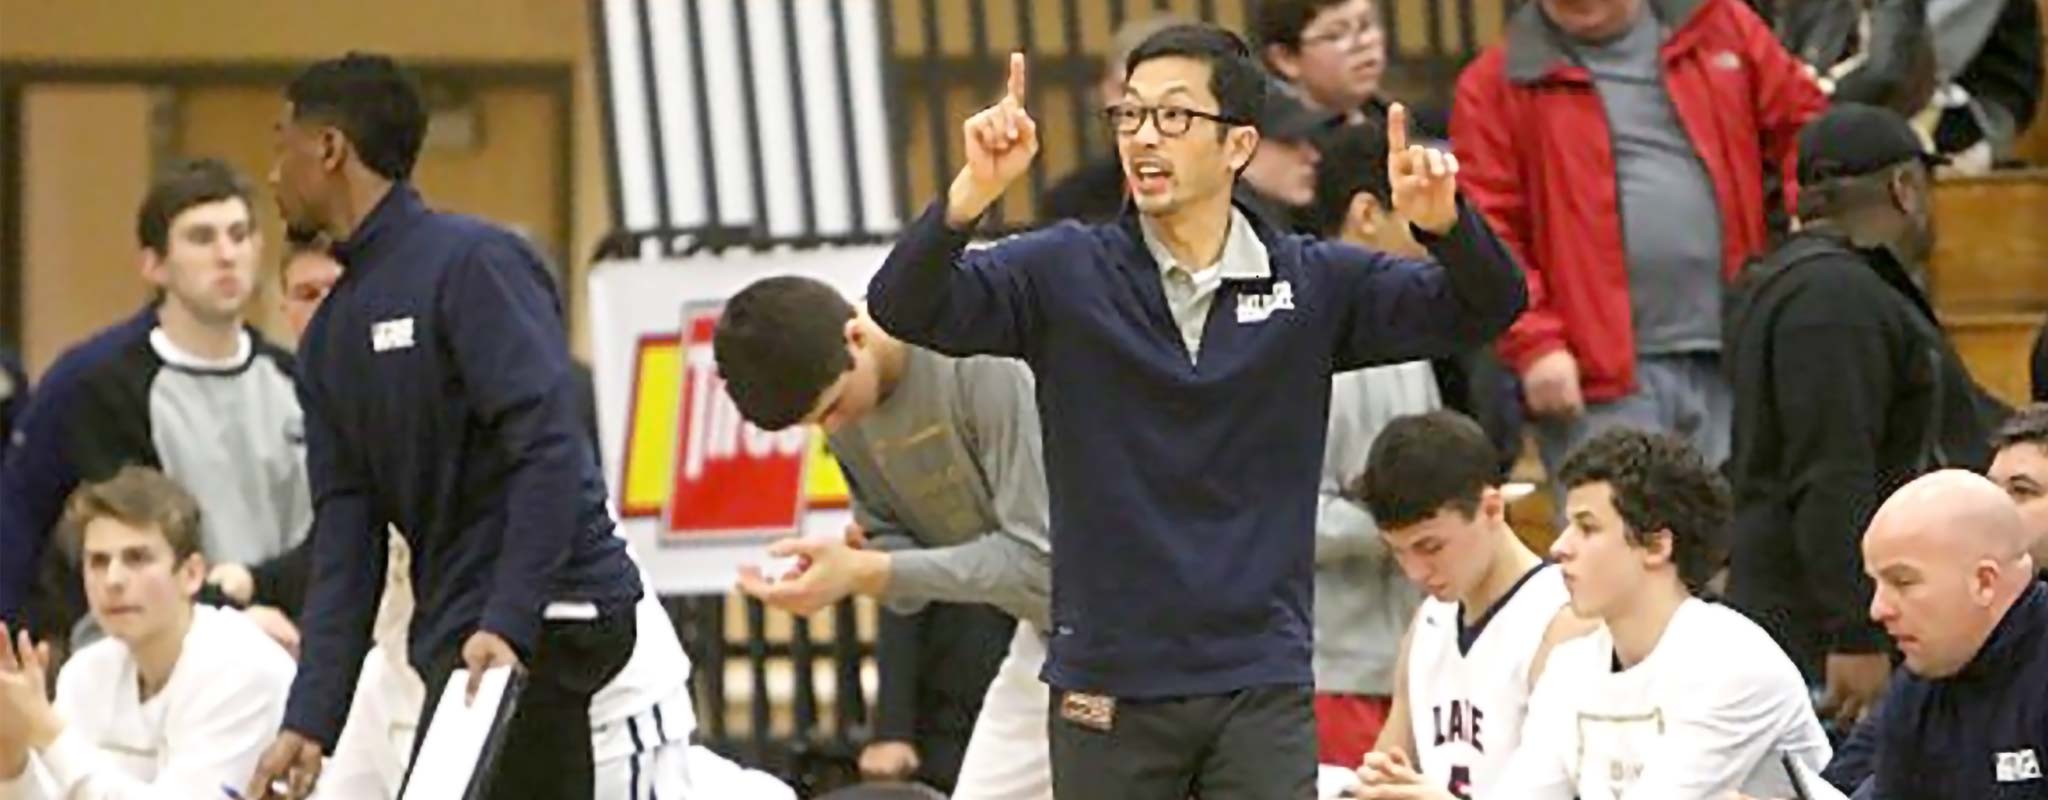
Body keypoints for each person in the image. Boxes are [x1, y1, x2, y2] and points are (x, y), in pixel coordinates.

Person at [863, 21, 1526, 797]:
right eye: (1131, 115)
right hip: (1106, 679)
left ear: (1239, 145)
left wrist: (1445, 224)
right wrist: (975, 188)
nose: (1145, 137)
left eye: (1174, 116)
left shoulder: (1310, 285)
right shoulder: (1064, 272)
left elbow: (1486, 305)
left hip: (1260, 679)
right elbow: (903, 304)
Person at [246, 52, 692, 799]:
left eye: (281, 142)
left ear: (328, 149)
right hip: (465, 632)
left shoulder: (475, 262)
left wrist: (511, 618)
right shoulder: (330, 335)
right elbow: (347, 535)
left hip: (553, 614)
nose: (271, 173)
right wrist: (312, 716)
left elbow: (550, 449)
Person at [1452, 0, 1827, 483]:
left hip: (1737, 353)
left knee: (1744, 548)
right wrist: (1535, 343)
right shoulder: (1494, 85)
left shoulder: (1720, 25)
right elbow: (1489, 234)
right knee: (1621, 550)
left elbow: (1808, 129)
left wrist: (1812, 226)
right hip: (1596, 379)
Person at [717, 275, 1054, 800]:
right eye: (815, 423)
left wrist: (873, 571)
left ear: (857, 336)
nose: (833, 427)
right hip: (1049, 633)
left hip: (1148, 617)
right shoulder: (844, 414)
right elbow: (906, 570)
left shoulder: (972, 350)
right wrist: (857, 569)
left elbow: (1039, 563)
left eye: (832, 407)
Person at [1724, 103, 2000, 726]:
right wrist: (1856, 629)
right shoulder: (1837, 298)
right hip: (1825, 640)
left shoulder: (1797, 283)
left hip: (1812, 620)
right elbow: (1832, 470)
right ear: (1904, 187)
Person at [1366, 428, 1829, 798]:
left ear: (1655, 545)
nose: (1559, 547)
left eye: (1586, 528)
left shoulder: (1731, 664)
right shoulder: (1571, 667)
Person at [0, 158, 309, 652]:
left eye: (240, 234)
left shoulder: (298, 379)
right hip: (136, 660)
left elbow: (335, 531)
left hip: (284, 647)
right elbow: (19, 519)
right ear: (154, 264)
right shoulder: (93, 381)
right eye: (202, 238)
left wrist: (261, 591)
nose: (227, 254)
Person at [0, 466, 295, 798]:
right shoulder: (85, 673)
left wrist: (46, 731)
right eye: (98, 561)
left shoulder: (241, 666)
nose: (113, 580)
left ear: (192, 574)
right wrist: (11, 758)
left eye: (137, 558)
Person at [1341, 411, 1592, 799]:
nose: (1415, 573)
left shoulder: (1563, 621)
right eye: (1398, 553)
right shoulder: (1428, 623)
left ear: (1492, 508)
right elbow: (1383, 773)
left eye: (1430, 547)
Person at [1841, 470, 2048, 798]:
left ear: (1984, 582)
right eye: (1876, 584)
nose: (1878, 610)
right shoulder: (1921, 678)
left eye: (1903, 582)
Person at [1039, 13, 1192, 225]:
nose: (1143, 114)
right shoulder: (1070, 203)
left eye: (1167, 96)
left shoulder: (1235, 201)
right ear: (1105, 91)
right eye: (1127, 91)